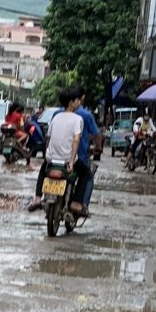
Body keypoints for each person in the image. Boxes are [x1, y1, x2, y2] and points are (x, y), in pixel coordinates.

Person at [69, 84, 100, 214]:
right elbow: (97, 135)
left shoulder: (57, 114)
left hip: (56, 156)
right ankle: (82, 204)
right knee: (88, 176)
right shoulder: (85, 115)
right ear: (80, 98)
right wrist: (98, 148)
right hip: (78, 156)